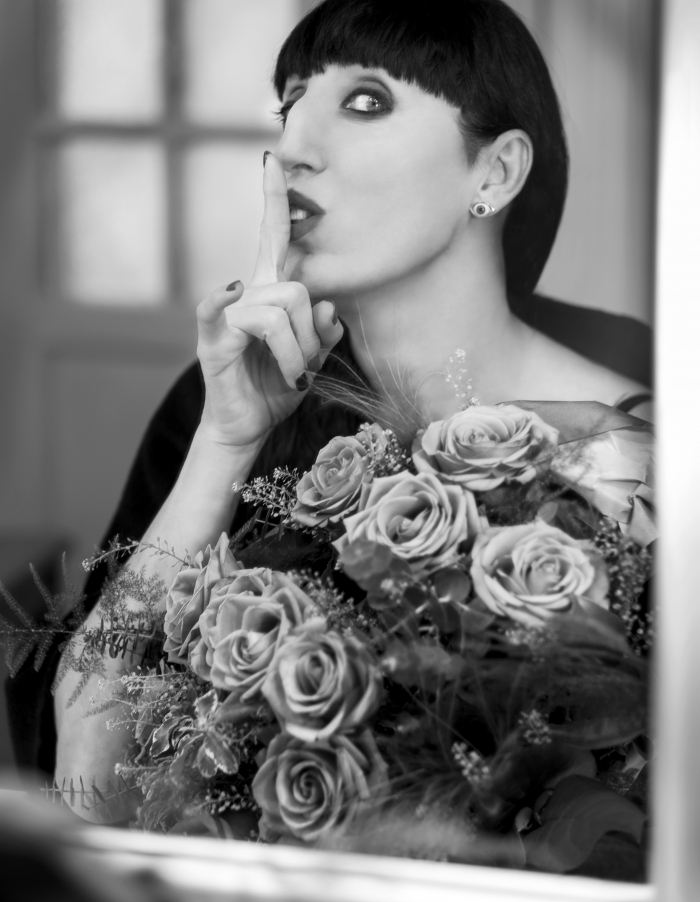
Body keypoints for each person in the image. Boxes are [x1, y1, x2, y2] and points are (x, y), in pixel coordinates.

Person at [8, 0, 652, 822]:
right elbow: (82, 781)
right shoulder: (226, 403)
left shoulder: (644, 446)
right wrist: (223, 443)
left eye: (366, 102)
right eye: (289, 108)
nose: (291, 152)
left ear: (494, 173)